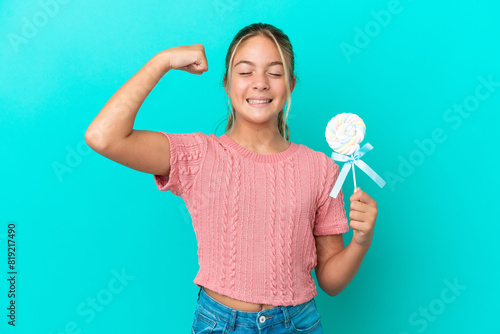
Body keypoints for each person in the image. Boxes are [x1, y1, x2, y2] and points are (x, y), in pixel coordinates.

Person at [85, 22, 378, 334]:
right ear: (226, 83)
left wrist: (361, 240)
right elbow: (103, 137)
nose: (260, 83)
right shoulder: (199, 155)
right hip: (221, 324)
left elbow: (331, 282)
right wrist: (163, 61)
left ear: (291, 84)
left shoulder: (322, 168)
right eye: (245, 71)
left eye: (275, 73)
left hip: (298, 323)